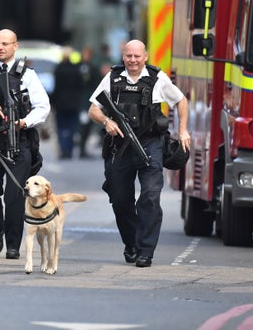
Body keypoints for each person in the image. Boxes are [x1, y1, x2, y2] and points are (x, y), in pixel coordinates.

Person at [88, 39, 190, 268]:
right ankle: (132, 244)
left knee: (150, 196)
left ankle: (145, 251)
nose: (132, 60)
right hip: (120, 145)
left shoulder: (157, 78)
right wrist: (106, 121)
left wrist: (183, 131)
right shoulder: (113, 78)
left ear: (145, 57)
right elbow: (93, 108)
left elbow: (181, 102)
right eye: (128, 56)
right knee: (120, 200)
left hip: (150, 144)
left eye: (137, 56)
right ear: (123, 56)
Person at [0, 29, 50, 259]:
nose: (0, 47)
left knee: (15, 195)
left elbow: (43, 106)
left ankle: (13, 245)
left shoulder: (25, 73)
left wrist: (24, 122)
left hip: (20, 140)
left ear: (15, 46)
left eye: (5, 44)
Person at [51, 46, 83, 159]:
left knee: (61, 128)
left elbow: (56, 87)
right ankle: (69, 150)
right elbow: (80, 86)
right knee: (72, 128)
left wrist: (53, 102)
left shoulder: (58, 69)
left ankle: (63, 149)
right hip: (74, 103)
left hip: (60, 103)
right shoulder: (76, 69)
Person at [77, 46, 101, 158]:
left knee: (87, 126)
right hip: (81, 102)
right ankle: (81, 149)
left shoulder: (93, 68)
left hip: (89, 101)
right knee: (83, 126)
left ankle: (83, 149)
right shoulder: (78, 67)